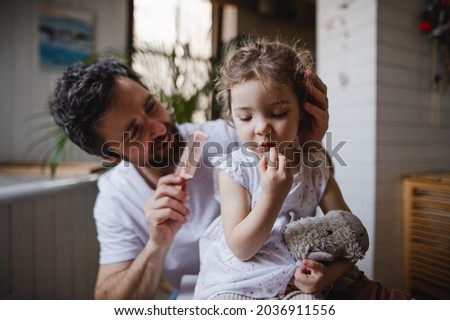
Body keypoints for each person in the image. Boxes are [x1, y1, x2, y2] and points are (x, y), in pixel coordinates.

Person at [48, 54, 330, 299]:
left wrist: (304, 144)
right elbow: (109, 302)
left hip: (277, 282)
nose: (158, 127)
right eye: (134, 132)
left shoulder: (228, 136)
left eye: (150, 106)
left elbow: (308, 182)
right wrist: (156, 245)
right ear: (110, 155)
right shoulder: (116, 197)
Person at [193, 38, 410, 300]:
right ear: (233, 117)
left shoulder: (314, 167)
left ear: (302, 111)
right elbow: (241, 248)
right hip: (238, 280)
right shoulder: (234, 169)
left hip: (297, 275)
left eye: (278, 112)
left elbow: (353, 235)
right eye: (246, 117)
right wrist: (272, 197)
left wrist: (329, 274)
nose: (261, 127)